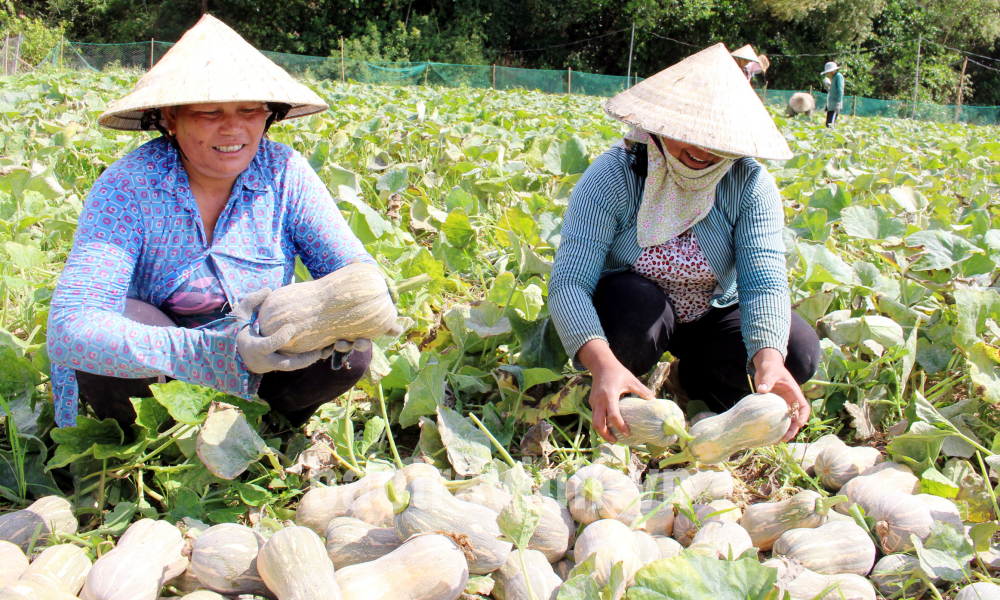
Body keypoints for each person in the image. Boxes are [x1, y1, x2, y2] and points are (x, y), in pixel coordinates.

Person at [47, 15, 388, 431]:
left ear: (269, 115)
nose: (233, 127)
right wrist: (211, 353)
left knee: (351, 351)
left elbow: (351, 268)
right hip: (159, 383)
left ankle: (266, 431)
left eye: (249, 110)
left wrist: (361, 296)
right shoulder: (128, 187)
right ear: (171, 118)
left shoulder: (285, 173)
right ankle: (155, 445)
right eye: (209, 112)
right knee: (118, 327)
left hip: (265, 366)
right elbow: (71, 326)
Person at [548, 43, 820, 445]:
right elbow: (569, 282)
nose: (703, 149)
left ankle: (689, 379)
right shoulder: (615, 173)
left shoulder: (749, 183)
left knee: (797, 351)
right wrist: (601, 360)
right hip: (636, 312)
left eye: (718, 140)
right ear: (659, 122)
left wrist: (770, 361)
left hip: (711, 314)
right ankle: (613, 378)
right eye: (688, 133)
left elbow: (764, 282)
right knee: (634, 315)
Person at [823, 62, 845, 128]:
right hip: (831, 106)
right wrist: (829, 86)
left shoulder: (838, 76)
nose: (828, 73)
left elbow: (840, 90)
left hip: (835, 105)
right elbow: (833, 91)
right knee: (828, 124)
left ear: (832, 71)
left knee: (831, 125)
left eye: (828, 72)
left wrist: (838, 103)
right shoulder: (834, 77)